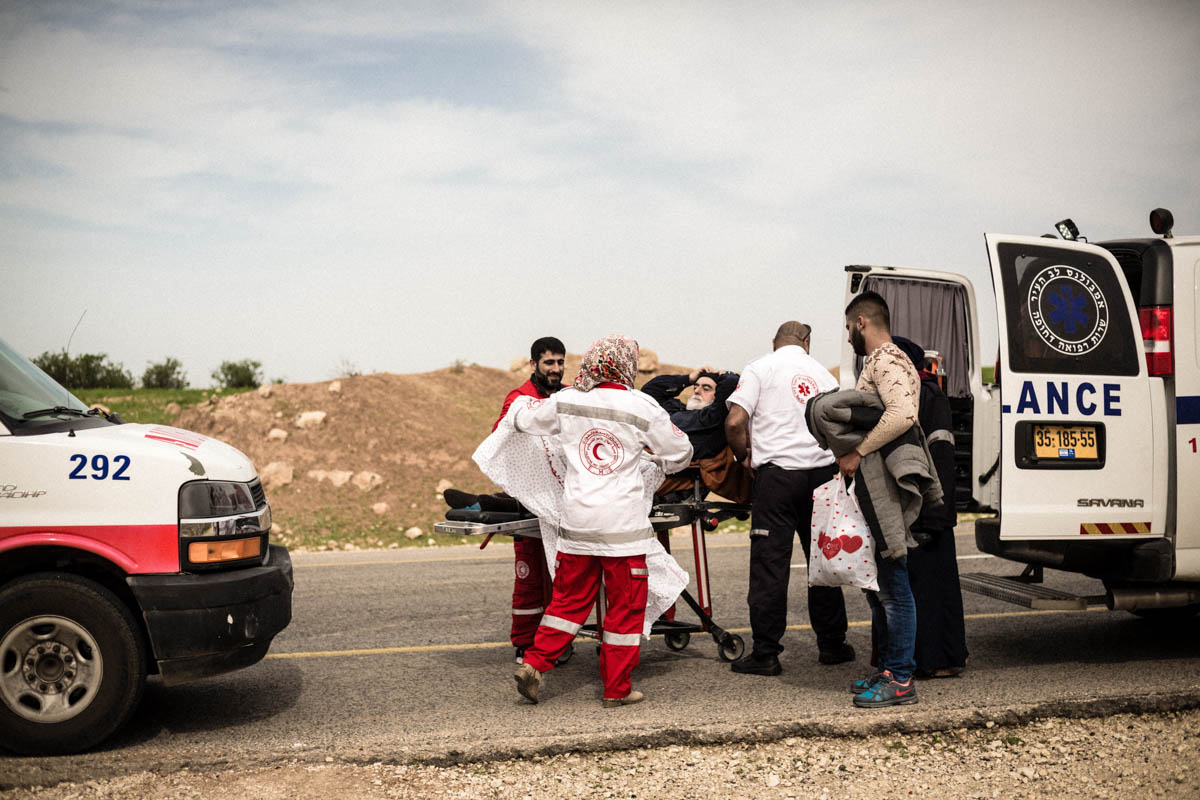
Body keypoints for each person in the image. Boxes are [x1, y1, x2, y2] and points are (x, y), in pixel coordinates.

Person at [511, 335, 693, 707]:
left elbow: (524, 419)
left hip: (577, 525)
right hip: (623, 529)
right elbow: (681, 452)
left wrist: (516, 410)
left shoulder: (567, 399)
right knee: (625, 609)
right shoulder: (642, 406)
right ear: (627, 364)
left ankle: (534, 663)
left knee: (566, 603)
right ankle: (617, 689)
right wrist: (660, 462)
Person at [724, 321, 853, 675]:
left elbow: (735, 422)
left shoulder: (760, 368)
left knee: (770, 567)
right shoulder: (824, 377)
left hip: (778, 480)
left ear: (774, 342)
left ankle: (766, 653)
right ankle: (832, 645)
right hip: (821, 478)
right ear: (807, 343)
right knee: (822, 564)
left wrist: (743, 458)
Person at [838, 292, 923, 708]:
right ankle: (890, 668)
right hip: (879, 482)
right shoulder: (886, 360)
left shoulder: (886, 359)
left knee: (894, 586)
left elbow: (902, 413)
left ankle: (901, 678)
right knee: (882, 587)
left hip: (886, 484)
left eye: (848, 328)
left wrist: (859, 450)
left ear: (860, 323)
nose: (849, 336)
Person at [892, 336, 968, 679]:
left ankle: (935, 659)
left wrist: (933, 510)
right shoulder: (909, 394)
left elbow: (941, 455)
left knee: (929, 588)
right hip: (919, 507)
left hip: (928, 508)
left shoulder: (928, 396)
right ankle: (934, 657)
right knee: (927, 585)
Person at [493, 336, 566, 663]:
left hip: (563, 502)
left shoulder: (568, 397)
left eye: (560, 362)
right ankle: (525, 641)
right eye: (549, 363)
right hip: (530, 500)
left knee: (562, 576)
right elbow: (502, 440)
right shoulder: (519, 399)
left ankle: (558, 641)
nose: (556, 369)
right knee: (530, 577)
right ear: (534, 363)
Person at [643, 367, 751, 504]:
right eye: (695, 387)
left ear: (717, 398)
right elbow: (649, 391)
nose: (697, 391)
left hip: (659, 469)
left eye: (706, 389)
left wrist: (726, 375)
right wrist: (688, 379)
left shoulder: (712, 420)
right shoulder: (675, 409)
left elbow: (731, 385)